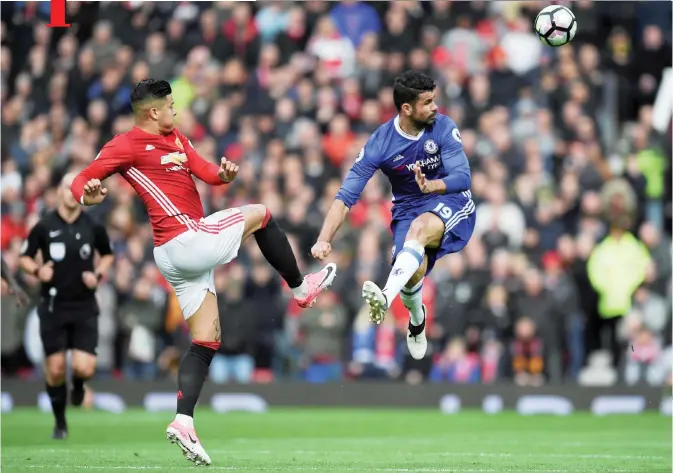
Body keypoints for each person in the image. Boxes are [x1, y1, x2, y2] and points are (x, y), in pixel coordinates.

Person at [69, 79, 336, 465]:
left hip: (175, 253)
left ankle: (183, 420)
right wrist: (85, 194)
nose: (175, 110)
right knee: (261, 214)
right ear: (153, 112)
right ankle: (300, 288)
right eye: (170, 105)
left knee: (207, 340)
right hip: (184, 239)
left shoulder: (176, 137)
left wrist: (223, 175)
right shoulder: (124, 144)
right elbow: (84, 176)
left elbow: (205, 171)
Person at [312, 70, 475, 361]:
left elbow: (463, 177)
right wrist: (324, 239)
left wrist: (432, 185)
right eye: (427, 102)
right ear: (406, 108)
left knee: (419, 230)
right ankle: (416, 319)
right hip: (408, 207)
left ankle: (385, 296)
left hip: (449, 198)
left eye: (434, 100)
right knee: (412, 274)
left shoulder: (443, 127)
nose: (435, 107)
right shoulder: (381, 143)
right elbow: (346, 195)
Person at [19, 172, 115, 439]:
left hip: (84, 305)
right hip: (53, 306)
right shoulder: (44, 225)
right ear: (59, 192)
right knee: (56, 368)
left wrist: (96, 274)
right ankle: (60, 422)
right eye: (67, 187)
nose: (71, 192)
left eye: (77, 187)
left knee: (84, 367)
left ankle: (80, 386)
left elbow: (107, 255)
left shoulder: (93, 225)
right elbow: (24, 258)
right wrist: (38, 272)